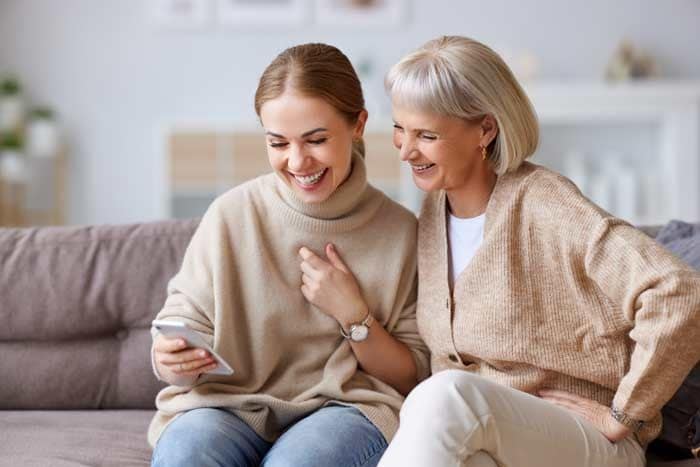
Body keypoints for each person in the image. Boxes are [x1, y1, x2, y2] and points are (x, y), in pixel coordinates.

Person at [377, 35, 700, 467]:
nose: (406, 149)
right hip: (498, 440)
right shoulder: (434, 211)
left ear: (485, 129)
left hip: (590, 442)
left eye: (426, 134)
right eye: (400, 129)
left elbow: (677, 292)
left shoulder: (545, 203)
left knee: (444, 395)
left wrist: (625, 414)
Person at [148, 42, 430, 467]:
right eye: (278, 143)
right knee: (187, 453)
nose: (297, 161)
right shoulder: (231, 214)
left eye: (316, 140)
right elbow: (183, 327)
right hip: (228, 406)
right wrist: (171, 360)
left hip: (346, 410)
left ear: (358, 125)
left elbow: (412, 376)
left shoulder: (401, 231)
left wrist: (355, 315)